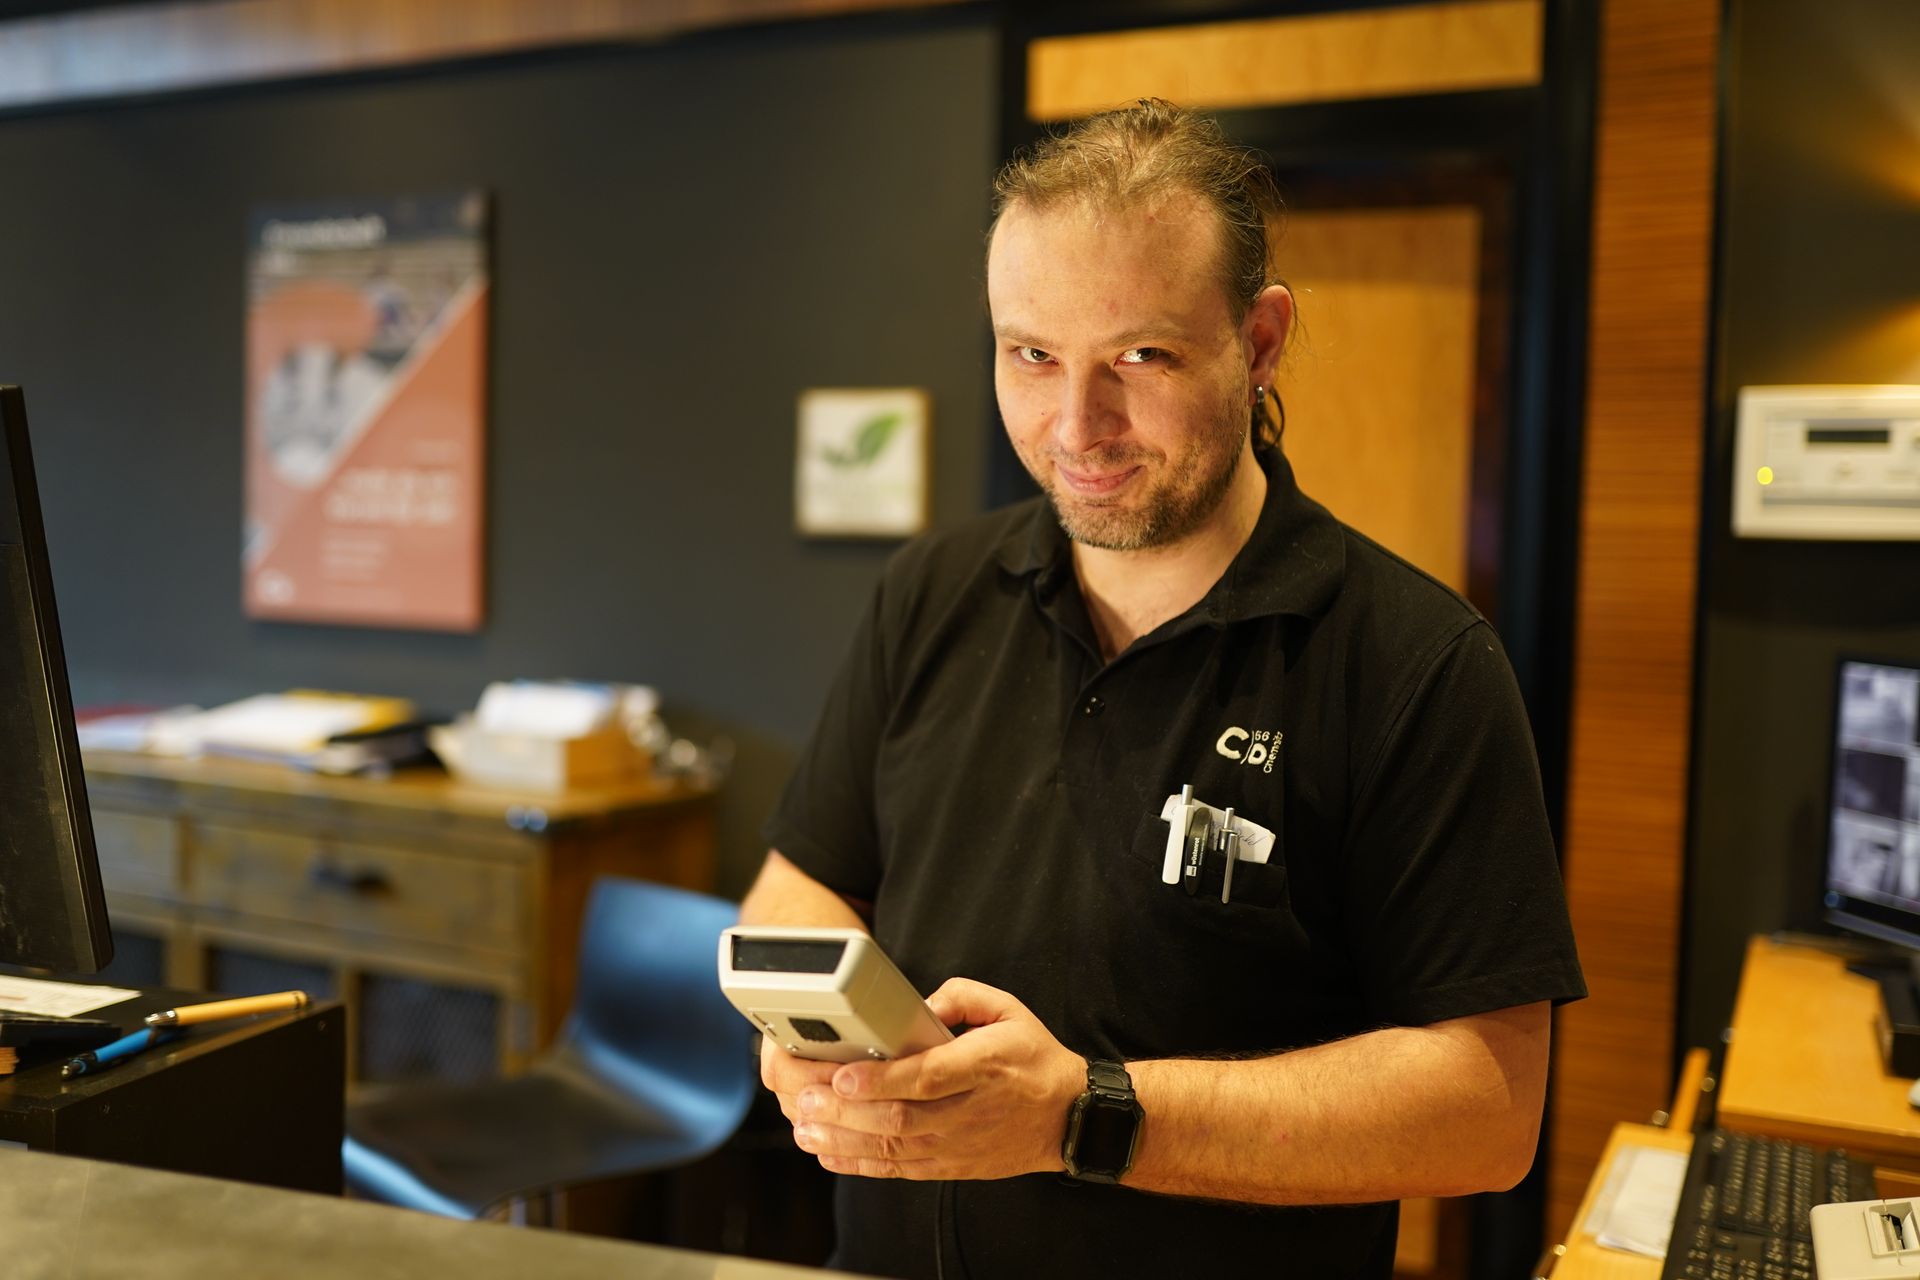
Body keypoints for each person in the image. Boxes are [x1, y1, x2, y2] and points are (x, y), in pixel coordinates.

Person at [743, 99, 1586, 1279]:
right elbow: (803, 882)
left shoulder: (1416, 663)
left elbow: (1487, 1106)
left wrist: (1082, 1114)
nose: (1076, 423)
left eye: (1141, 355)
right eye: (1031, 354)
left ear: (1265, 339)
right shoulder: (932, 591)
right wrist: (813, 1034)